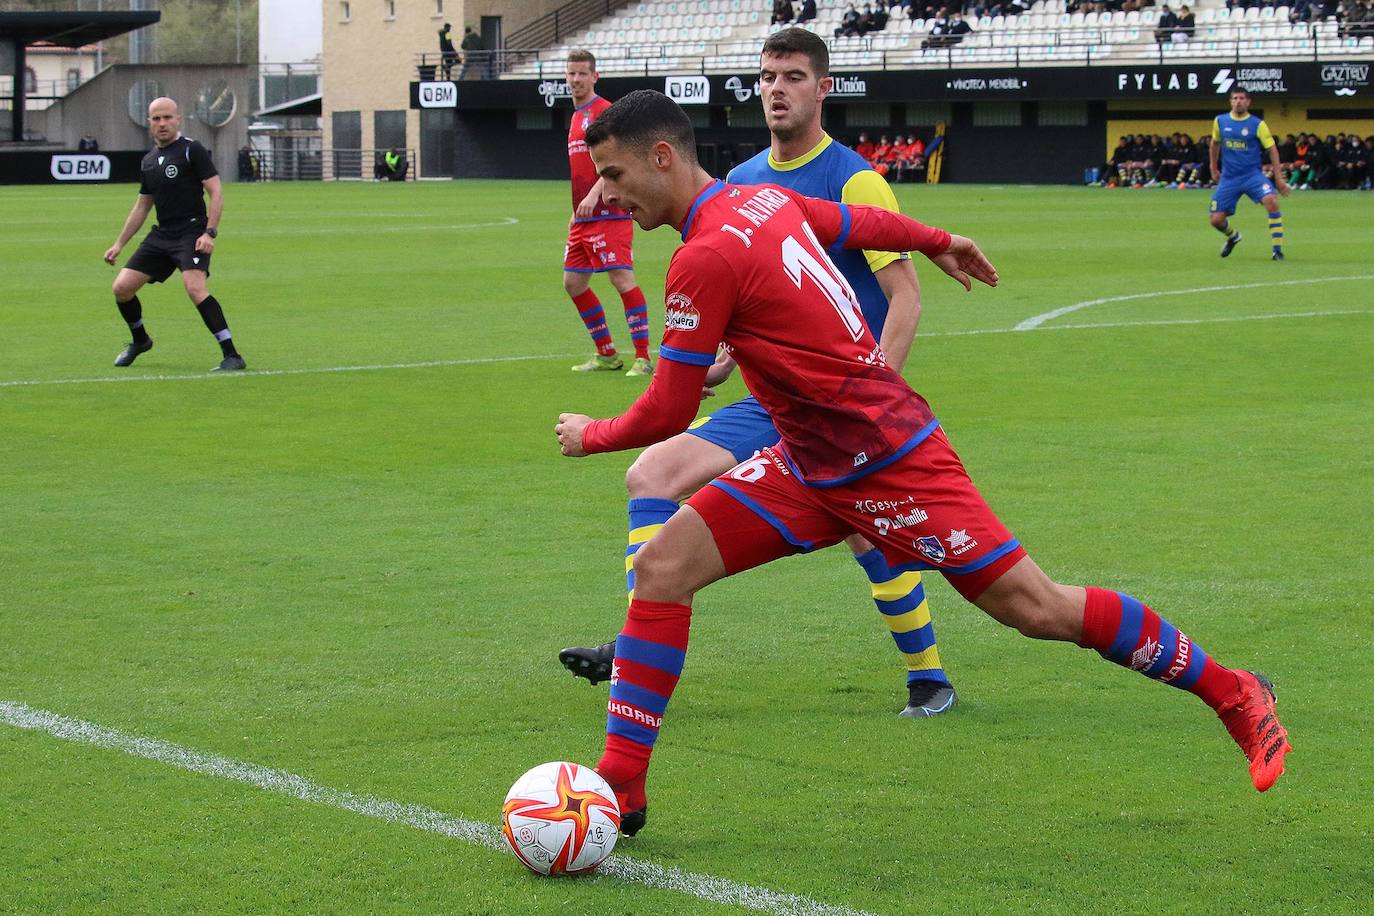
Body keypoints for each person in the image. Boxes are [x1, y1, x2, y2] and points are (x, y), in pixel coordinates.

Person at [554, 89, 1291, 834]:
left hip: (890, 459)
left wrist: (592, 433)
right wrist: (937, 237)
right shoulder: (759, 200)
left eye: (612, 175)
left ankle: (1236, 693)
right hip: (807, 462)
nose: (604, 194)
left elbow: (668, 413)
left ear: (662, 156)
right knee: (662, 569)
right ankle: (622, 787)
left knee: (1038, 609)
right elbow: (856, 223)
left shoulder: (704, 255)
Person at [559, 27, 956, 720]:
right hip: (769, 401)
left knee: (864, 525)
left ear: (823, 89)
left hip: (845, 402)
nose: (776, 88)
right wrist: (715, 361)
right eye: (767, 75)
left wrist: (873, 403)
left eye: (793, 76)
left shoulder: (854, 178)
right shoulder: (740, 181)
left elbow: (905, 298)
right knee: (651, 474)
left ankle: (928, 676)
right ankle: (637, 636)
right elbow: (746, 302)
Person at [102, 97, 244, 372]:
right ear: (149, 123)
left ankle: (232, 355)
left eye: (167, 117)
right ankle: (140, 340)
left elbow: (216, 192)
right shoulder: (149, 160)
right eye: (156, 119)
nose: (162, 123)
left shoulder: (192, 150)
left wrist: (209, 233)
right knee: (122, 288)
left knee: (194, 287)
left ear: (178, 119)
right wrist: (119, 244)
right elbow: (142, 206)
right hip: (163, 234)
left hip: (192, 231)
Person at [562, 50, 653, 376]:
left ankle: (642, 357)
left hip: (609, 212)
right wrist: (576, 210)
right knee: (573, 282)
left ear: (594, 76)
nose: (575, 80)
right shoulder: (575, 117)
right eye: (571, 74)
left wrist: (592, 194)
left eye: (582, 74)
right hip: (583, 218)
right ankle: (607, 354)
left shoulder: (604, 112)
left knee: (621, 278)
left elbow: (620, 158)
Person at [1208, 87, 1290, 260]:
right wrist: (1213, 167)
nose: (1238, 101)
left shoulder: (1257, 124)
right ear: (1230, 101)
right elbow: (1215, 144)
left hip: (1252, 176)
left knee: (1271, 201)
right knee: (1215, 220)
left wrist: (1279, 178)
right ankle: (1233, 236)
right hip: (1229, 178)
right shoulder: (1220, 121)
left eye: (1242, 98)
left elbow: (1272, 150)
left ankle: (1277, 251)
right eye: (1235, 98)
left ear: (1248, 102)